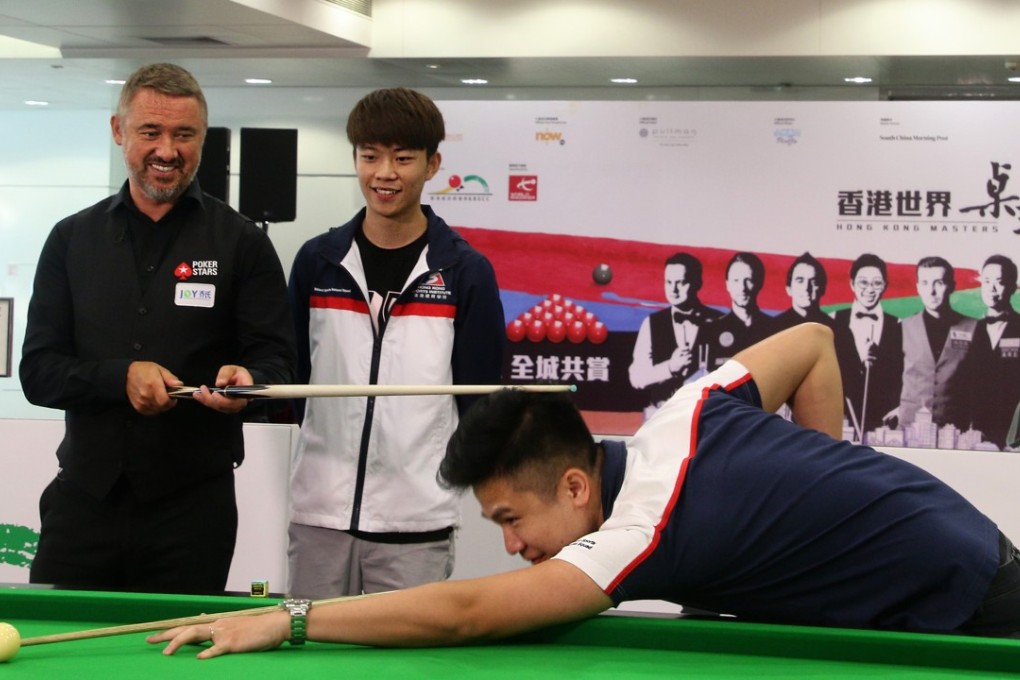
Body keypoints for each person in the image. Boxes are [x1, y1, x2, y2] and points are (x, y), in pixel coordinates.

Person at [150, 323, 1020, 658]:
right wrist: (830, 480)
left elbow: (464, 613)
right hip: (967, 543)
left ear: (575, 484)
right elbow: (814, 344)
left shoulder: (632, 528)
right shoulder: (683, 412)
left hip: (978, 600)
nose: (512, 545)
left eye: (511, 520)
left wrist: (291, 617)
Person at [19, 63, 296, 593]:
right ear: (119, 131)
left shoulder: (242, 244)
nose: (167, 150)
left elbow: (277, 364)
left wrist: (250, 386)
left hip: (193, 514)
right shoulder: (71, 240)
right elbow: (38, 372)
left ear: (202, 140)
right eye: (150, 131)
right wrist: (118, 377)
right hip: (82, 506)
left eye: (183, 134)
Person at [285, 88, 505, 599]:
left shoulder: (465, 272)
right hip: (319, 515)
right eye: (370, 156)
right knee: (311, 662)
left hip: (416, 523)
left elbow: (480, 402)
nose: (385, 173)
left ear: (432, 165)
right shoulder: (318, 262)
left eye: (403, 158)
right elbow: (292, 377)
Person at [628, 252, 722, 419]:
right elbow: (636, 377)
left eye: (681, 282)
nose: (674, 289)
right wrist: (670, 367)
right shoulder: (652, 323)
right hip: (660, 415)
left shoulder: (719, 321)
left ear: (697, 284)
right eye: (669, 282)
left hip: (708, 416)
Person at [899, 256, 975, 436]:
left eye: (939, 282)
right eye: (925, 283)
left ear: (952, 286)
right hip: (909, 427)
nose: (931, 291)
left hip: (956, 429)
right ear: (917, 287)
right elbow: (891, 377)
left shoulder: (973, 327)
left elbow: (979, 381)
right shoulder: (903, 326)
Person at [831, 253, 902, 441]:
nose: (870, 290)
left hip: (882, 427)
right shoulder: (832, 319)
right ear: (852, 284)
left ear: (885, 285)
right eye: (863, 283)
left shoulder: (899, 325)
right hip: (840, 421)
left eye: (877, 283)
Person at [966, 254, 1020, 449]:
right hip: (975, 431)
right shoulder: (969, 328)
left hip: (1013, 432)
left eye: (1000, 282)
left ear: (1013, 287)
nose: (992, 288)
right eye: (987, 281)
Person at [704, 251, 778, 368]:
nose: (742, 288)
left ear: (759, 283)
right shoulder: (712, 330)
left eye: (748, 280)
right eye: (736, 280)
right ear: (728, 284)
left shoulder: (775, 329)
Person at [772, 252, 836, 332]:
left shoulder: (836, 329)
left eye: (814, 282)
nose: (806, 288)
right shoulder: (773, 328)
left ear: (823, 289)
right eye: (800, 281)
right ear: (789, 289)